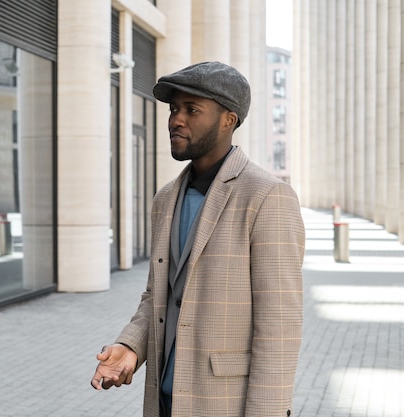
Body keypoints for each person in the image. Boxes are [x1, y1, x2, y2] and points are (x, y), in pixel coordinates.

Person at [90, 61, 305, 417]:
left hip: (225, 404)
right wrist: (130, 347)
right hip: (166, 402)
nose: (176, 119)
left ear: (228, 120)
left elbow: (279, 325)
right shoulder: (164, 200)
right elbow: (157, 296)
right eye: (174, 109)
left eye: (192, 110)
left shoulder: (268, 197)